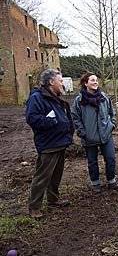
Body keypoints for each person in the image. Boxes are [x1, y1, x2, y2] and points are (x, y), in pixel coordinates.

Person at [26, 69, 74, 218]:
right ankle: (34, 207)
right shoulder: (37, 98)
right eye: (60, 81)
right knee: (42, 176)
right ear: (51, 82)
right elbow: (32, 118)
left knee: (55, 175)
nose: (62, 84)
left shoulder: (56, 97)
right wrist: (52, 121)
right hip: (48, 144)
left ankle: (53, 199)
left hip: (60, 141)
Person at [71, 72, 118, 194]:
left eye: (96, 80)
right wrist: (82, 131)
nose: (95, 82)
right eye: (92, 80)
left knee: (111, 158)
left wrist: (112, 125)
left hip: (105, 134)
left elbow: (111, 113)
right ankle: (95, 183)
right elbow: (75, 117)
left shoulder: (104, 97)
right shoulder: (80, 100)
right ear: (86, 83)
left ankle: (111, 180)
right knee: (92, 161)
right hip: (89, 137)